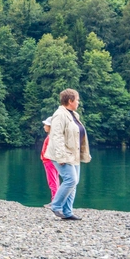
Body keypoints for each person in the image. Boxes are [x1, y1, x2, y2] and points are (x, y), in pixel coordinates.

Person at [44, 89, 91, 221]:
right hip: (63, 154)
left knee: (74, 182)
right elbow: (56, 136)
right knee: (71, 180)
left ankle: (67, 211)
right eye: (77, 100)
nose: (78, 102)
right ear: (70, 101)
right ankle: (56, 205)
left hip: (73, 153)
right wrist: (61, 156)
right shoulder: (60, 115)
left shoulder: (73, 114)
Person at [40, 117, 59, 205]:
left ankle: (54, 201)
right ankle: (56, 200)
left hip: (49, 161)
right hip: (52, 161)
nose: (44, 127)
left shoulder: (51, 137)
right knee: (55, 180)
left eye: (46, 125)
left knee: (52, 181)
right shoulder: (53, 136)